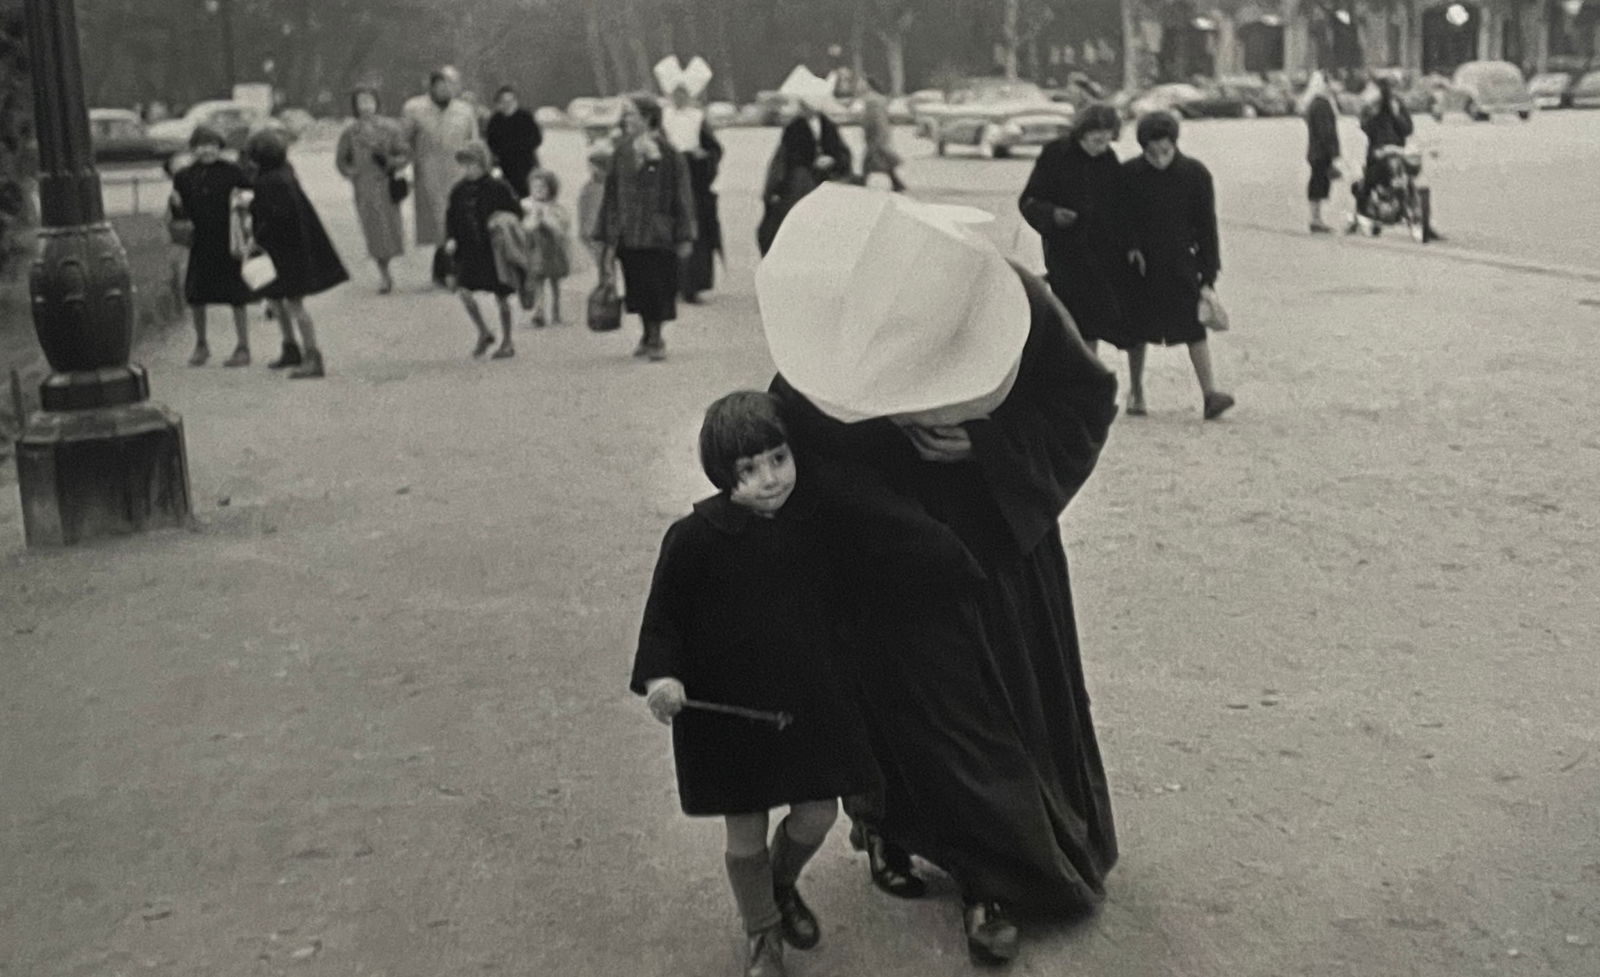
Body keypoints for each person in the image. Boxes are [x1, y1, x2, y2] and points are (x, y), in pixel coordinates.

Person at [759, 184, 1121, 966]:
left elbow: (1087, 400)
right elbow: (791, 420)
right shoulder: (839, 306)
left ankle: (995, 875)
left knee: (988, 712)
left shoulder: (1018, 300)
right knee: (899, 703)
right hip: (885, 547)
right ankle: (888, 823)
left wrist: (989, 447)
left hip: (995, 546)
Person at [1019, 102, 1144, 412]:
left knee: (1121, 322)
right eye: (1095, 140)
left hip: (1105, 256)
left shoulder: (1108, 161)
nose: (1101, 147)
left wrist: (1131, 245)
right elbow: (1028, 201)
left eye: (1106, 140)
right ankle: (1084, 392)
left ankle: (1133, 390)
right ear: (1081, 133)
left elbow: (1122, 207)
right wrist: (1052, 215)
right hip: (1067, 255)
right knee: (1078, 323)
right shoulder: (1055, 155)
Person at [1121, 111, 1234, 420]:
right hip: (1141, 266)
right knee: (1137, 330)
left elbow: (1207, 227)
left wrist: (1208, 273)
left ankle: (1210, 394)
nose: (1159, 158)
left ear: (1175, 144)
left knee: (1194, 327)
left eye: (1165, 151)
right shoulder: (1128, 174)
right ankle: (1136, 391)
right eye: (1151, 152)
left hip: (1181, 263)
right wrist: (1129, 247)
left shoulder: (1195, 175)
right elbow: (1119, 218)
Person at [593, 93, 696, 362]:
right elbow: (611, 194)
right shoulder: (622, 151)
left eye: (631, 114)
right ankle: (645, 332)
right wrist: (604, 231)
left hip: (659, 232)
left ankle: (656, 336)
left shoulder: (669, 152)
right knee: (636, 285)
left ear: (647, 118)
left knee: (659, 286)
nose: (626, 119)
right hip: (628, 233)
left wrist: (685, 234)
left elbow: (682, 195)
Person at [244, 130, 349, 380]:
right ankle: (291, 347)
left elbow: (273, 218)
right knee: (278, 300)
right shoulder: (284, 174)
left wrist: (255, 231)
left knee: (293, 304)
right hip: (291, 249)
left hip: (285, 252)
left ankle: (312, 355)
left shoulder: (269, 182)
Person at [169, 126, 253, 367]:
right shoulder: (185, 176)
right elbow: (179, 212)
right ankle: (201, 344)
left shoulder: (232, 172)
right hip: (200, 242)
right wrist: (176, 205)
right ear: (193, 149)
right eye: (202, 146)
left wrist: (243, 205)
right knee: (197, 295)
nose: (207, 150)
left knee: (237, 295)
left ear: (220, 147)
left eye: (213, 145)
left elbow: (249, 197)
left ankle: (243, 346)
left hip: (229, 241)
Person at [444, 140, 522, 359]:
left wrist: (500, 221)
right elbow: (451, 217)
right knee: (464, 291)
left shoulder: (498, 187)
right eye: (464, 164)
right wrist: (450, 238)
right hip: (468, 250)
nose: (468, 169)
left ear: (483, 163)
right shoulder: (458, 190)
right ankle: (483, 331)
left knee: (502, 295)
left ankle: (507, 340)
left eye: (472, 164)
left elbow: (516, 212)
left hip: (494, 251)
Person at [336, 86, 409, 294]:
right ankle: (384, 274)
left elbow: (404, 153)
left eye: (369, 101)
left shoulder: (391, 128)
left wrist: (391, 162)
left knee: (391, 229)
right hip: (365, 187)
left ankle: (388, 264)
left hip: (386, 185)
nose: (366, 106)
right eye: (361, 102)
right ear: (355, 106)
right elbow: (342, 160)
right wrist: (353, 173)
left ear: (377, 103)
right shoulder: (351, 132)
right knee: (373, 231)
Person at [756, 97, 852, 256]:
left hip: (827, 180)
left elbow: (841, 153)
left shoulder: (829, 125)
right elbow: (789, 158)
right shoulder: (793, 128)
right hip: (802, 183)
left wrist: (832, 160)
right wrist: (812, 162)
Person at [403, 69, 480, 250]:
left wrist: (476, 166)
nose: (445, 89)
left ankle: (452, 264)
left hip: (459, 171)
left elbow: (474, 142)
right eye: (440, 85)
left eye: (450, 84)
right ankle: (443, 262)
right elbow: (404, 142)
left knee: (461, 215)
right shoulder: (414, 108)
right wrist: (403, 170)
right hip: (428, 173)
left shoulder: (465, 111)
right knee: (437, 221)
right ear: (431, 87)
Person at [662, 83, 724, 303]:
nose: (679, 98)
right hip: (668, 181)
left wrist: (703, 157)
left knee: (696, 235)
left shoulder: (698, 118)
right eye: (675, 94)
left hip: (695, 182)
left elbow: (715, 149)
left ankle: (693, 285)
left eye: (683, 94)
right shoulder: (664, 117)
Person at [1347, 77, 1412, 233]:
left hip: (1398, 151)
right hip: (1378, 153)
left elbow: (1408, 129)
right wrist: (1371, 112)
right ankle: (1360, 215)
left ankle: (1414, 214)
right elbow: (1366, 128)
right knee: (1369, 181)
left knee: (1407, 180)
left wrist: (1396, 114)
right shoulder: (1372, 108)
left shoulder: (1398, 106)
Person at [521, 168, 571, 327]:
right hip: (536, 249)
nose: (538, 191)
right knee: (538, 281)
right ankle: (539, 311)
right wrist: (535, 217)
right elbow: (525, 227)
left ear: (551, 189)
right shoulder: (527, 206)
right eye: (534, 188)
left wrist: (547, 220)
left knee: (555, 282)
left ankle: (556, 312)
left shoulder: (555, 207)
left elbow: (561, 228)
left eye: (542, 188)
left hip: (553, 250)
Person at [485, 85, 543, 201]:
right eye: (504, 101)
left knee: (528, 198)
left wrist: (523, 147)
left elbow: (537, 138)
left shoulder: (525, 117)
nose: (508, 104)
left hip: (526, 166)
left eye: (510, 101)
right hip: (504, 167)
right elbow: (491, 143)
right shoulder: (495, 121)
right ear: (499, 103)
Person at [1301, 71, 1341, 234]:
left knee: (1317, 183)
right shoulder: (1322, 104)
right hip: (1321, 152)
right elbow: (1326, 131)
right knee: (1319, 184)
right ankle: (1316, 219)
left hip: (1315, 151)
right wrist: (1333, 152)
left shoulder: (1313, 103)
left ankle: (1316, 218)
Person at [853, 73, 906, 193]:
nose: (859, 85)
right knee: (878, 158)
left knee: (872, 158)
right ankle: (895, 182)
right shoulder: (880, 98)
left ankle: (863, 180)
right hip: (882, 132)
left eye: (861, 83)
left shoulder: (870, 99)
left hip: (875, 133)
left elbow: (871, 119)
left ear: (868, 85)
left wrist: (867, 129)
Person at [576, 143, 614, 283]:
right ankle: (605, 288)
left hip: (603, 232)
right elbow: (583, 209)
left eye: (593, 166)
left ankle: (607, 289)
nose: (590, 169)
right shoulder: (590, 186)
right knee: (602, 264)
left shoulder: (606, 187)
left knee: (606, 264)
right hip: (592, 232)